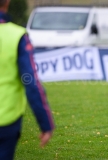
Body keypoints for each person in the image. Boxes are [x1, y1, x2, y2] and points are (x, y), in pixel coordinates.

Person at [0, 0, 55, 159]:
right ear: (7, 2)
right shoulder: (17, 35)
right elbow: (30, 82)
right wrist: (45, 124)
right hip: (6, 119)